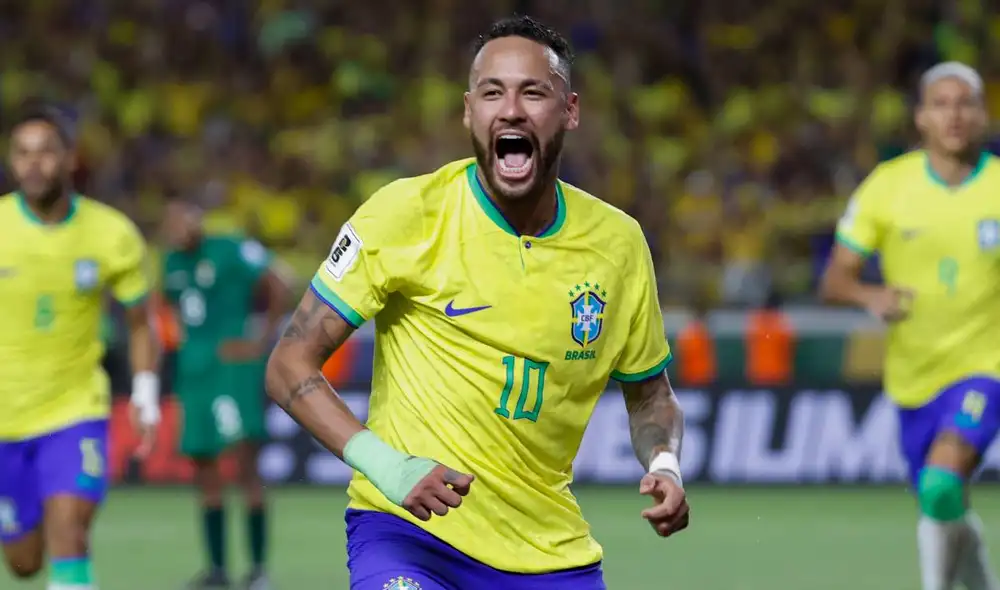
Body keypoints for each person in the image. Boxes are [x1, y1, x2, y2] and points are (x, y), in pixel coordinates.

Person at [266, 15, 689, 590]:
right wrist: (390, 468)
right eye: (492, 92)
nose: (510, 109)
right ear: (470, 111)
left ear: (569, 111)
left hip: (548, 554)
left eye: (532, 92)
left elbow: (649, 397)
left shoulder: (618, 245)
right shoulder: (404, 214)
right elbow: (288, 363)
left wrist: (664, 464)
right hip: (408, 534)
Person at [821, 62, 1000, 590]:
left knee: (942, 487)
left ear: (984, 115)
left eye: (966, 103)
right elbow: (834, 279)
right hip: (914, 380)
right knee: (944, 503)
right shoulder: (888, 186)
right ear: (921, 117)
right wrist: (869, 294)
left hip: (985, 368)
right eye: (941, 104)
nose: (955, 115)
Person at [0, 105, 161, 589]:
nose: (33, 164)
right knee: (24, 562)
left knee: (69, 533)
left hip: (75, 410)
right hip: (6, 420)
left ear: (70, 159)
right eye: (22, 153)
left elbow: (140, 322)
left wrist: (145, 394)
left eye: (46, 152)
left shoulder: (111, 234)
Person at [161, 200, 288, 590]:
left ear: (198, 221)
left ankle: (258, 570)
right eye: (172, 223)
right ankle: (217, 569)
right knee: (205, 472)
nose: (178, 228)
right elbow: (175, 311)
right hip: (195, 373)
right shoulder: (169, 264)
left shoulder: (230, 248)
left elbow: (279, 281)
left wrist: (261, 340)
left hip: (232, 370)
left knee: (245, 467)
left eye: (185, 219)